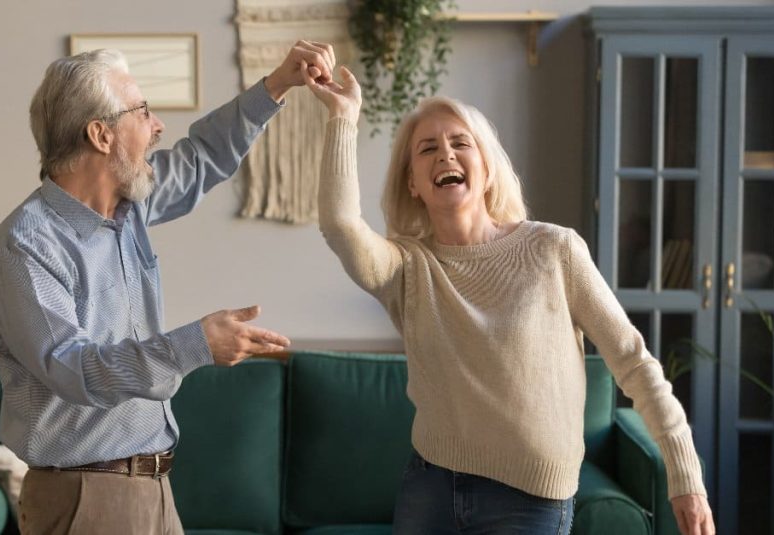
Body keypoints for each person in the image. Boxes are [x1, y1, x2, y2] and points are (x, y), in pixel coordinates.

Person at [302, 64, 715, 535]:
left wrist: (686, 475)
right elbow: (340, 225)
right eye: (427, 148)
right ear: (413, 183)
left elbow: (633, 361)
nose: (445, 154)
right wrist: (343, 116)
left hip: (531, 500)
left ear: (486, 167)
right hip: (431, 487)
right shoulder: (405, 269)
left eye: (460, 142)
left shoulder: (553, 249)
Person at [0, 42, 336, 535]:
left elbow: (203, 156)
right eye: (142, 111)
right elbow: (73, 369)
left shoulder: (127, 209)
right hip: (84, 497)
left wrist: (276, 84)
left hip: (153, 486)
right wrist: (195, 344)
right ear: (101, 135)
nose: (158, 126)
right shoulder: (24, 247)